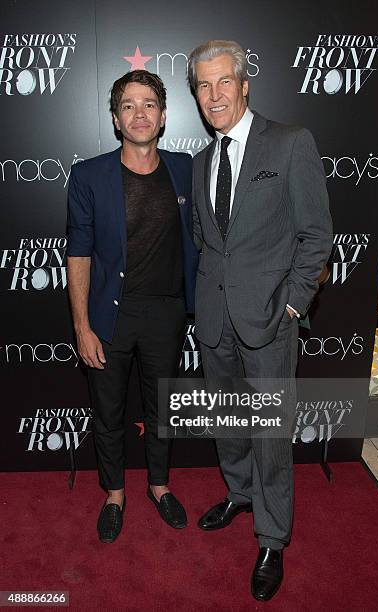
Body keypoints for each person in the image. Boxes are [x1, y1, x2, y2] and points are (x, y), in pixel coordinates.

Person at [187, 40, 333, 600]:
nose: (214, 94)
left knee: (271, 435)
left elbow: (317, 234)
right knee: (229, 422)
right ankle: (239, 493)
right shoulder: (201, 163)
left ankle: (272, 537)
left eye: (224, 81)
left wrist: (294, 303)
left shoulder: (291, 143)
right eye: (203, 85)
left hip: (271, 320)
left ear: (245, 85)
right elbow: (207, 242)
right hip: (215, 320)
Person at [66, 69, 198, 542]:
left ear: (163, 117)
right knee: (108, 410)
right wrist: (82, 326)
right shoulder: (88, 176)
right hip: (109, 316)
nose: (139, 114)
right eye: (128, 105)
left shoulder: (186, 168)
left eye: (148, 105)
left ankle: (159, 487)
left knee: (163, 409)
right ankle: (115, 493)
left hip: (166, 313)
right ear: (117, 119)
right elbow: (78, 253)